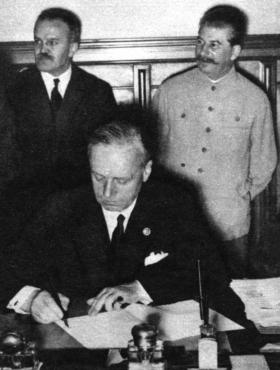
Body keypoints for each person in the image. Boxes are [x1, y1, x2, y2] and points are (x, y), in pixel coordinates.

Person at [0, 109, 258, 334]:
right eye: (98, 177)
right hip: (81, 343)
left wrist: (140, 288)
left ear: (145, 172)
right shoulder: (63, 206)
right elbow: (9, 266)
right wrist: (30, 297)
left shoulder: (173, 204)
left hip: (154, 340)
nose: (107, 192)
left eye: (122, 181)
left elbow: (210, 272)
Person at [152, 5, 277, 278]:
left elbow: (265, 161)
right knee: (174, 294)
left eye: (214, 45)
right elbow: (154, 152)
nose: (203, 51)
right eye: (200, 42)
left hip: (228, 221)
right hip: (177, 219)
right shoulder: (171, 90)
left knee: (230, 298)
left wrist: (239, 194)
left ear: (234, 52)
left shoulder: (254, 98)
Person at [4, 7, 116, 244]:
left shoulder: (97, 92)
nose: (42, 50)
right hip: (22, 215)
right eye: (38, 41)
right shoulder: (12, 90)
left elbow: (108, 158)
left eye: (52, 42)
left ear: (73, 47)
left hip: (80, 213)